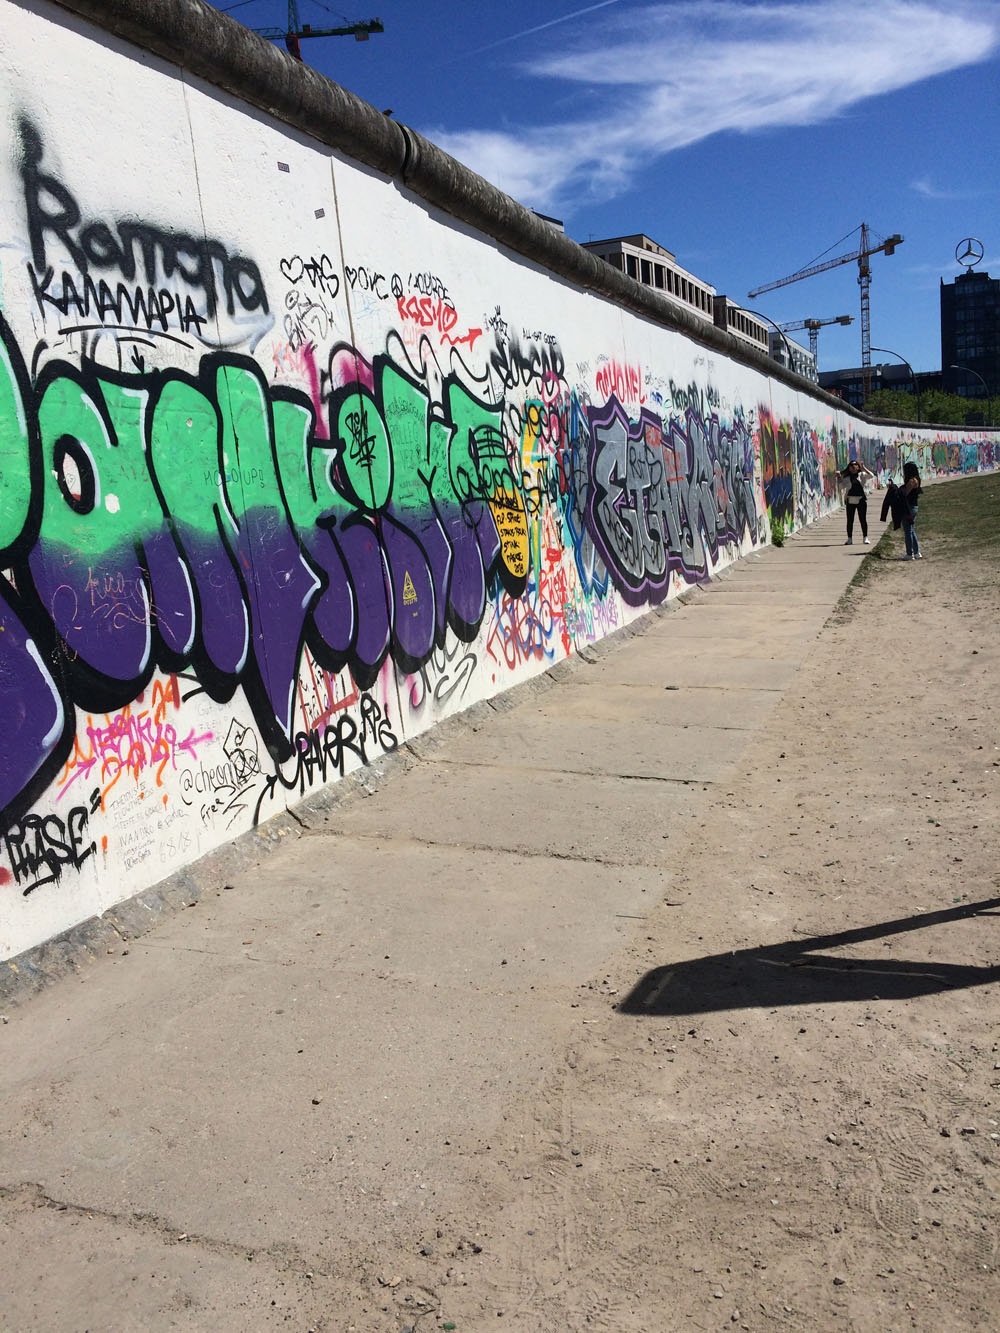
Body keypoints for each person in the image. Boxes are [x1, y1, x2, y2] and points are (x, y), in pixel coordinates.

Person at [839, 457, 875, 544]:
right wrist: (840, 477)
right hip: (850, 500)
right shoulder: (847, 478)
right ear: (849, 468)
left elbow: (871, 475)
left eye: (855, 465)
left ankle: (865, 537)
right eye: (851, 465)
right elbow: (841, 487)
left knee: (863, 519)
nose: (853, 466)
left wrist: (863, 467)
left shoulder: (862, 475)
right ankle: (849, 539)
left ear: (858, 467)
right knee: (850, 520)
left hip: (861, 500)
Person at [900, 460, 922, 560]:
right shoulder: (917, 479)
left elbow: (905, 494)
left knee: (908, 531)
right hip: (914, 506)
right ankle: (917, 552)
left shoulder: (911, 481)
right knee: (911, 530)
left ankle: (910, 553)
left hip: (909, 507)